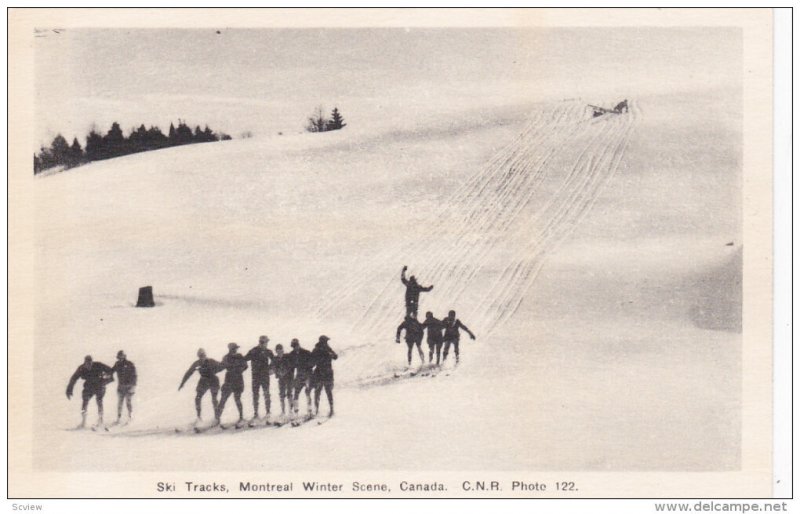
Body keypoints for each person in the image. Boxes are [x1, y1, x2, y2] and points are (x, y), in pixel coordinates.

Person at [66, 355, 114, 429]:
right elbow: (74, 378)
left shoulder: (98, 365)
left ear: (92, 362)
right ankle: (83, 422)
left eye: (90, 363)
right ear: (84, 363)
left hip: (99, 385)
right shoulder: (81, 368)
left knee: (99, 401)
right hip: (89, 386)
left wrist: (106, 380)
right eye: (87, 364)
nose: (89, 366)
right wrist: (69, 389)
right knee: (85, 401)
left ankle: (100, 420)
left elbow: (111, 371)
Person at [179, 348, 223, 423]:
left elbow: (222, 366)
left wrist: (215, 371)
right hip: (204, 381)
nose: (202, 357)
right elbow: (189, 373)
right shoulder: (197, 363)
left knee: (214, 399)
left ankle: (217, 418)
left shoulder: (211, 361)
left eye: (203, 355)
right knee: (198, 398)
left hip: (213, 380)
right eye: (200, 356)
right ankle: (199, 417)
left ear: (205, 355)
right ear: (198, 356)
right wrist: (182, 383)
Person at [216, 342, 249, 426]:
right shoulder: (226, 357)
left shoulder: (240, 356)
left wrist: (240, 369)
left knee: (237, 398)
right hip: (229, 379)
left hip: (238, 379)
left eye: (235, 348)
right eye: (233, 348)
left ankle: (241, 417)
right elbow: (221, 367)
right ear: (230, 349)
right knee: (223, 399)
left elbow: (245, 366)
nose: (235, 350)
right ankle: (217, 419)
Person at [244, 335, 274, 420]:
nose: (266, 344)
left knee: (266, 393)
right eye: (265, 342)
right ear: (261, 342)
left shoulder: (268, 351)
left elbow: (274, 360)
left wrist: (271, 368)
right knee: (255, 394)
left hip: (265, 376)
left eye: (266, 342)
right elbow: (244, 359)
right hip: (256, 376)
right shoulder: (253, 351)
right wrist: (244, 367)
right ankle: (256, 413)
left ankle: (268, 412)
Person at [311, 336, 338, 417]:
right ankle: (318, 410)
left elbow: (336, 357)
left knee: (325, 392)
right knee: (319, 392)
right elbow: (312, 361)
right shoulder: (317, 350)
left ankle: (331, 409)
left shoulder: (327, 349)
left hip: (326, 373)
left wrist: (331, 354)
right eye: (326, 341)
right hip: (322, 373)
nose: (326, 343)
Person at [289, 339, 314, 418]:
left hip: (307, 375)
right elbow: (291, 367)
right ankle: (296, 412)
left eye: (296, 345)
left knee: (307, 392)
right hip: (299, 376)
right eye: (293, 346)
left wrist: (309, 376)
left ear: (298, 344)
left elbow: (312, 364)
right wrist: (292, 378)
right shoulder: (292, 354)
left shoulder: (306, 352)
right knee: (296, 393)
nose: (295, 347)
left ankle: (309, 411)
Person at [111, 350, 137, 424]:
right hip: (121, 386)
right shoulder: (117, 364)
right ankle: (119, 418)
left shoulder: (130, 364)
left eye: (121, 356)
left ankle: (130, 416)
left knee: (128, 401)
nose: (120, 358)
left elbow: (134, 375)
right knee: (120, 402)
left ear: (124, 356)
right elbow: (111, 371)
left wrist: (133, 385)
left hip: (129, 386)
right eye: (119, 357)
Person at [272, 343, 294, 417]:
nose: (279, 352)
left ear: (283, 350)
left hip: (289, 378)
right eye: (278, 351)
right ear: (276, 351)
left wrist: (284, 371)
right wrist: (275, 371)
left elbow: (291, 365)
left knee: (289, 394)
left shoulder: (287, 356)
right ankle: (283, 411)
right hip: (281, 379)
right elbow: (271, 367)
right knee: (281, 394)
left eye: (280, 350)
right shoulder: (275, 359)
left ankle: (291, 411)